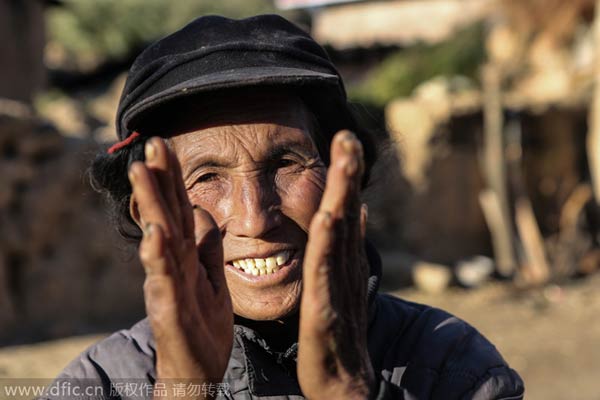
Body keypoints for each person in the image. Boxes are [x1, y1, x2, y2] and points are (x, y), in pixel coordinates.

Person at [44, 14, 524, 400]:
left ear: (347, 179)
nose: (255, 217)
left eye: (286, 163)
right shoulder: (99, 385)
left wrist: (347, 391)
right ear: (150, 216)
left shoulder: (451, 368)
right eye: (207, 177)